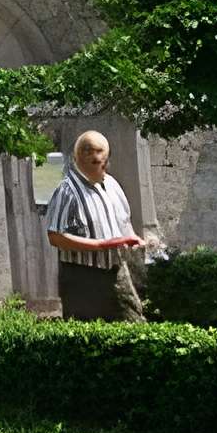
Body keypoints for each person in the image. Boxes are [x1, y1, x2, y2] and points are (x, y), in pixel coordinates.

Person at [44, 129, 147, 321]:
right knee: (89, 338)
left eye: (106, 159)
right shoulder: (67, 191)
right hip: (82, 278)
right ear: (84, 157)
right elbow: (55, 236)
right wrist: (100, 245)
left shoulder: (112, 185)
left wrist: (134, 240)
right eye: (99, 160)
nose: (105, 164)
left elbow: (124, 223)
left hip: (117, 271)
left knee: (133, 325)